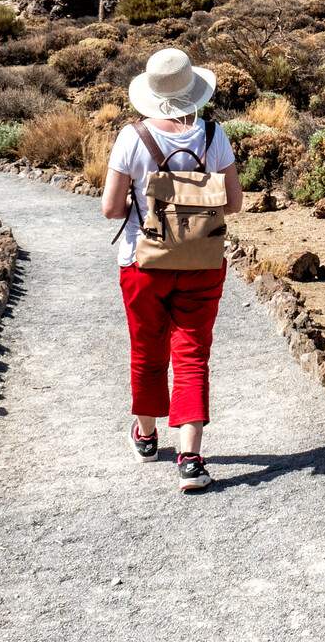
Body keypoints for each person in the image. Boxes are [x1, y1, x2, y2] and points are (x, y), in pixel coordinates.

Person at [100, 47, 242, 492]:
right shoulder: (214, 135)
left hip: (144, 263)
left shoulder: (132, 137)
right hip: (202, 261)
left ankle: (145, 435)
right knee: (192, 354)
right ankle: (191, 458)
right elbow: (234, 203)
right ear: (192, 90)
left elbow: (110, 209)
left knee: (147, 348)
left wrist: (141, 204)